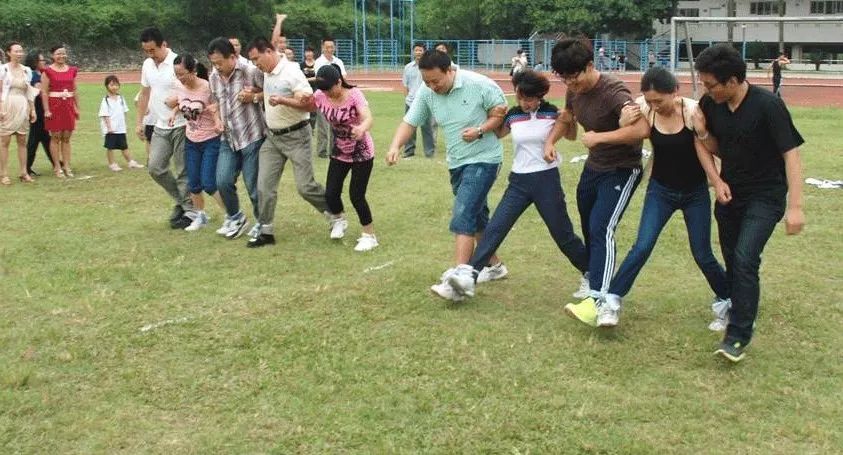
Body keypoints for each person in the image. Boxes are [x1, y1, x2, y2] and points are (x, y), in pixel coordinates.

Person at [694, 43, 804, 362]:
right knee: (733, 259)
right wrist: (716, 180)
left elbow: (791, 155)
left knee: (744, 258)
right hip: (730, 194)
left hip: (765, 196)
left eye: (711, 84)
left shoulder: (768, 106)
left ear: (732, 81)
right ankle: (742, 306)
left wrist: (796, 206)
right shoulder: (711, 104)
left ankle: (738, 335)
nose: (706, 89)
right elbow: (705, 145)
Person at [597, 67, 730, 330]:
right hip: (660, 191)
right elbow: (624, 124)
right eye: (649, 100)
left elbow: (714, 148)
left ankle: (729, 302)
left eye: (659, 100)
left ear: (675, 92)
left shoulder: (692, 111)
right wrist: (624, 119)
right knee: (642, 246)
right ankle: (610, 302)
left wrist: (704, 135)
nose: (654, 105)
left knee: (702, 253)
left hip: (695, 193)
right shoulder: (644, 108)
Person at [447, 70, 588, 299]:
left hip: (546, 180)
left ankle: (591, 273)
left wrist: (568, 120)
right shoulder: (513, 115)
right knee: (495, 229)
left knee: (562, 233)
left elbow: (571, 136)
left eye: (529, 99)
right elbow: (499, 132)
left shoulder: (551, 113)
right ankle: (467, 279)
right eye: (520, 97)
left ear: (540, 96)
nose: (524, 103)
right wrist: (485, 126)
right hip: (519, 181)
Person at [385, 49, 509, 301]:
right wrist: (395, 145)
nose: (432, 86)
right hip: (456, 163)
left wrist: (480, 130)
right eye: (427, 82)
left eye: (436, 81)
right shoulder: (427, 92)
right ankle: (495, 267)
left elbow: (500, 112)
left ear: (450, 70)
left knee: (463, 210)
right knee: (477, 217)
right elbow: (411, 121)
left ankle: (462, 276)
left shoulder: (479, 84)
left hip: (484, 159)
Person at [546, 38, 649, 327]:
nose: (571, 84)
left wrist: (599, 138)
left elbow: (642, 129)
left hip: (621, 169)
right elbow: (568, 118)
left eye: (574, 77)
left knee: (602, 228)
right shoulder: (572, 89)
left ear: (590, 65)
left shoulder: (614, 92)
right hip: (594, 168)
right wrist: (551, 142)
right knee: (589, 228)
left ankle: (600, 300)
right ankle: (594, 278)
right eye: (564, 78)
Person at [245, 37, 330, 248]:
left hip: (297, 137)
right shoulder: (265, 71)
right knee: (264, 186)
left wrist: (287, 100)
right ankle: (266, 232)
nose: (255, 64)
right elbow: (269, 92)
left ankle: (333, 211)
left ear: (268, 52)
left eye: (257, 59)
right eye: (252, 60)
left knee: (305, 187)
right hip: (272, 138)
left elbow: (311, 106)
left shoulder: (292, 72)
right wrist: (255, 96)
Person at [312, 64, 379, 251]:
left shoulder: (354, 94)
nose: (326, 94)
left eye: (329, 89)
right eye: (322, 90)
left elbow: (368, 117)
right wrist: (288, 100)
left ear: (339, 82)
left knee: (356, 195)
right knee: (331, 193)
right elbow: (304, 103)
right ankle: (339, 220)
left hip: (362, 152)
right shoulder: (320, 95)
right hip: (339, 151)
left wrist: (361, 128)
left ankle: (369, 235)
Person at [207, 36, 266, 240]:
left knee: (253, 186)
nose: (216, 67)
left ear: (232, 57)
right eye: (213, 63)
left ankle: (262, 223)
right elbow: (214, 101)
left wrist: (255, 96)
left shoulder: (250, 71)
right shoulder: (214, 76)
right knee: (222, 181)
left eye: (219, 62)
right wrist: (216, 120)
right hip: (228, 138)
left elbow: (270, 90)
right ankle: (236, 217)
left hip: (252, 136)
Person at [135, 27, 193, 229]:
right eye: (146, 51)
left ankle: (190, 212)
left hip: (182, 124)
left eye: (153, 50)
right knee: (155, 167)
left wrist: (177, 100)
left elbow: (193, 89)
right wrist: (139, 122)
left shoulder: (178, 62)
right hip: (160, 125)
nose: (150, 55)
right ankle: (182, 201)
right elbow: (144, 94)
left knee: (183, 169)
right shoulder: (147, 65)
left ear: (163, 44)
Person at [170, 54, 225, 232]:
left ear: (193, 71)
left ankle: (231, 215)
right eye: (176, 74)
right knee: (193, 183)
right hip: (191, 140)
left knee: (209, 182)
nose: (180, 78)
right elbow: (182, 102)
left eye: (182, 74)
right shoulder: (180, 86)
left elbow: (215, 107)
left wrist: (217, 121)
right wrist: (174, 112)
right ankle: (201, 216)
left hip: (210, 140)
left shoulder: (207, 88)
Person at [0, 42, 37, 185]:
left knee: (22, 140)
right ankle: (4, 174)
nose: (19, 54)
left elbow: (29, 91)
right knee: (5, 141)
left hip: (22, 105)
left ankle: (23, 172)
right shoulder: (3, 69)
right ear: (9, 53)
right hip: (7, 104)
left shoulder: (27, 70)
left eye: (21, 51)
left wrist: (32, 109)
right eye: (16, 51)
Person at [41, 44, 79, 178]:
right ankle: (57, 167)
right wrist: (46, 109)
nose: (61, 56)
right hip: (54, 106)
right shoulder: (47, 71)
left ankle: (67, 166)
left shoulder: (72, 70)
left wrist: (76, 107)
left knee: (67, 137)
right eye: (58, 53)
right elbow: (44, 92)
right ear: (52, 55)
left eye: (63, 53)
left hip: (67, 106)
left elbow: (74, 89)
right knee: (56, 137)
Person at [98, 75, 144, 172]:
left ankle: (130, 162)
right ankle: (112, 164)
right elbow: (105, 115)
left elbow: (124, 112)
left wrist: (125, 125)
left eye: (116, 85)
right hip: (111, 129)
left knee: (124, 146)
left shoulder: (121, 98)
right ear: (107, 86)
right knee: (110, 147)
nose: (114, 87)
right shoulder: (106, 100)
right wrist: (109, 127)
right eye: (111, 85)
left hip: (120, 128)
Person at [314, 37, 346, 159]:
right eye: (327, 47)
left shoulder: (338, 62)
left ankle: (334, 149)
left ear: (335, 48)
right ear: (323, 48)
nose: (329, 49)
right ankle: (322, 151)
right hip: (323, 97)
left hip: (336, 97)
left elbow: (343, 78)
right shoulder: (319, 62)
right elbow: (321, 80)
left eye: (332, 47)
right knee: (323, 125)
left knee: (336, 124)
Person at [401, 42, 435, 158]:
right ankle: (409, 152)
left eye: (420, 50)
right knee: (410, 127)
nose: (418, 52)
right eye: (416, 50)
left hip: (425, 101)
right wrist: (407, 98)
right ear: (413, 52)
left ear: (424, 52)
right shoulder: (408, 67)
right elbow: (405, 85)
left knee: (427, 128)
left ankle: (429, 153)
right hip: (410, 101)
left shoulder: (429, 67)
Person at [24, 49, 52, 176]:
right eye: (42, 60)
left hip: (39, 110)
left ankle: (56, 162)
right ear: (35, 61)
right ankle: (26, 168)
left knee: (45, 138)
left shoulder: (38, 73)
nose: (44, 62)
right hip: (37, 110)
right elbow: (39, 92)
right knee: (35, 140)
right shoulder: (34, 75)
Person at [133, 90, 155, 163]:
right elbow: (136, 101)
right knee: (149, 140)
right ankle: (150, 158)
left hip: (161, 120)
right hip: (149, 121)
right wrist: (144, 109)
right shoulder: (146, 90)